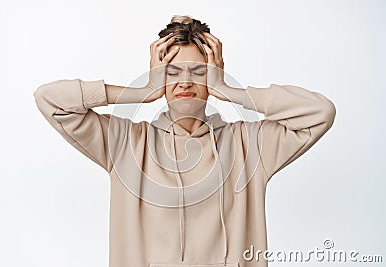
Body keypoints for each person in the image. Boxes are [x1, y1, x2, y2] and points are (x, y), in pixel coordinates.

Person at [33, 15, 336, 267]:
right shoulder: (124, 143)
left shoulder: (250, 144)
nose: (186, 82)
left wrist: (230, 90)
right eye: (172, 72)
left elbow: (320, 113)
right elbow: (49, 99)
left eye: (199, 72)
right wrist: (140, 91)